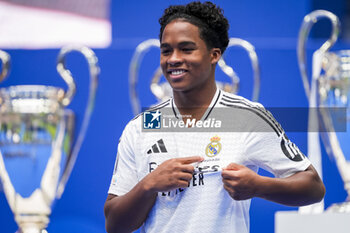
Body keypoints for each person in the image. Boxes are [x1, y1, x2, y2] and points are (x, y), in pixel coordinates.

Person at [104, 1, 325, 233]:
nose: (173, 59)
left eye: (186, 49)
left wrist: (259, 186)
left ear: (214, 55)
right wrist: (149, 185)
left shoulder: (247, 117)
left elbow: (313, 187)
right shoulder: (141, 127)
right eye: (166, 50)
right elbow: (114, 224)